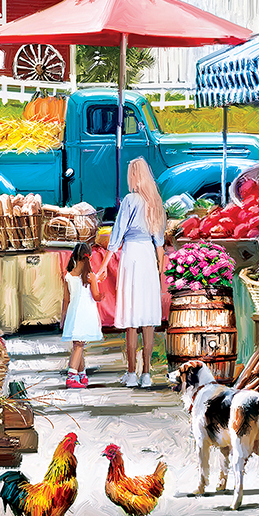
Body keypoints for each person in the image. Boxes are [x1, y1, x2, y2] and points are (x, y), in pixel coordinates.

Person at [96, 157, 166, 389]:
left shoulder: (130, 200)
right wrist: (159, 267)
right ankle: (147, 373)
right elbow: (160, 243)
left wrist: (105, 264)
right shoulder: (155, 202)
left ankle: (131, 373)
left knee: (132, 319)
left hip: (133, 255)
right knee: (147, 318)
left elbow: (116, 236)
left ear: (134, 176)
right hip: (148, 256)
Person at [61, 242, 103, 389]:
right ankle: (72, 376)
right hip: (85, 315)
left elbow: (66, 300)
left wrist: (63, 319)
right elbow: (96, 296)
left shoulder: (68, 276)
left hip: (73, 314)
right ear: (89, 257)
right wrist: (101, 290)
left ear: (73, 256)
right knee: (79, 345)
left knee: (78, 345)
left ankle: (81, 374)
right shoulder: (90, 277)